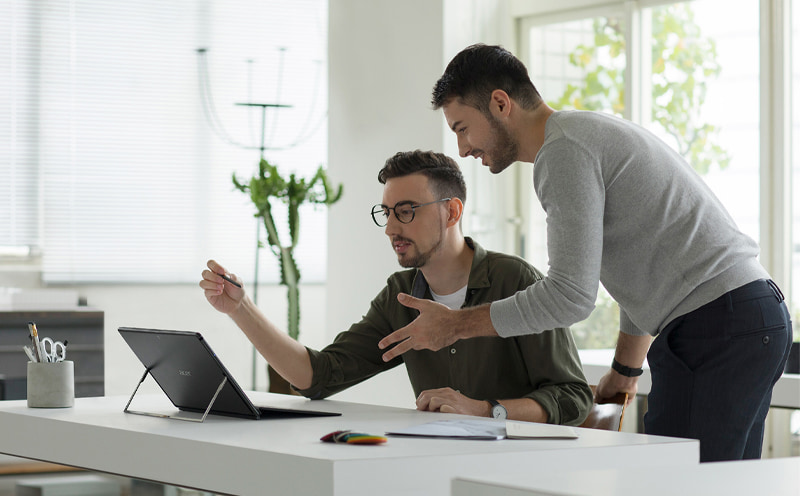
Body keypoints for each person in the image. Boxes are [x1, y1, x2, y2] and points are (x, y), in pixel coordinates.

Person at [378, 44, 793, 462]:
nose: (463, 148)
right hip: (744, 318)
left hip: (716, 325)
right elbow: (645, 270)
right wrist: (626, 370)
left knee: (680, 484)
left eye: (462, 128)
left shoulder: (563, 154)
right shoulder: (580, 136)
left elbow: (570, 296)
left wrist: (456, 326)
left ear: (500, 104)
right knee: (717, 485)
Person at [200, 150, 592, 425]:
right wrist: (241, 308)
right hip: (433, 467)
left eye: (405, 211)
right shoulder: (401, 295)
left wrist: (484, 409)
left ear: (452, 211)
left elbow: (573, 397)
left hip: (520, 472)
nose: (390, 228)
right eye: (386, 213)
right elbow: (318, 377)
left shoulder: (515, 281)